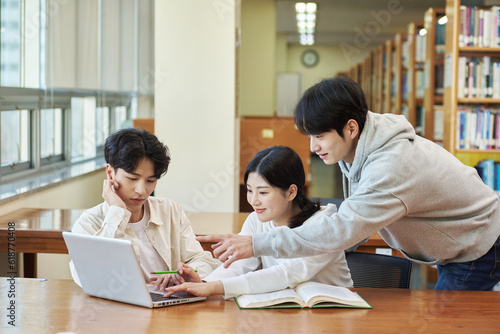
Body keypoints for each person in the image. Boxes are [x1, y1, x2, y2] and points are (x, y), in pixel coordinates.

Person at [199, 75, 500, 291]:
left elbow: (344, 227)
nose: (314, 148)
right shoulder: (359, 141)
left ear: (351, 127)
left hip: (478, 242)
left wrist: (258, 244)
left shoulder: (392, 165)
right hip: (456, 240)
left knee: (451, 323)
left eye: (319, 136)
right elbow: (353, 214)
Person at [163, 146, 353, 298]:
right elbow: (239, 265)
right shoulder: (256, 219)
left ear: (291, 192)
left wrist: (216, 287)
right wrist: (205, 284)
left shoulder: (324, 226)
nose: (253, 201)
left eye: (263, 192)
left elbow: (287, 273)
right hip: (287, 312)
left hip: (335, 311)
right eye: (249, 190)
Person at [69, 128, 220, 290]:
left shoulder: (170, 210)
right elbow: (94, 279)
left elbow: (200, 259)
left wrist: (186, 273)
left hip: (169, 305)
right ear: (110, 172)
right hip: (115, 309)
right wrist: (117, 212)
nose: (141, 190)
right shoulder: (88, 223)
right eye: (132, 178)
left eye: (150, 180)